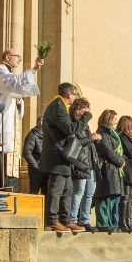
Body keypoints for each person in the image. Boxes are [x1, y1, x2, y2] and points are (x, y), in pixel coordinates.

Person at [0, 48, 43, 191]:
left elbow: (18, 90)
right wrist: (33, 70)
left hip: (9, 124)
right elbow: (12, 84)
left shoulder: (8, 74)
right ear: (7, 57)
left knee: (8, 156)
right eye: (17, 56)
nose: (19, 59)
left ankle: (10, 189)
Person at [40, 82, 90, 232]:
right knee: (56, 188)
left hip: (63, 156)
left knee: (68, 190)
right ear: (69, 94)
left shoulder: (62, 106)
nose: (75, 96)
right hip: (56, 155)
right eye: (74, 93)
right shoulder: (57, 106)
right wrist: (86, 117)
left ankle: (65, 220)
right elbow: (70, 129)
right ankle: (52, 220)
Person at [67, 98, 99, 232]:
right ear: (78, 110)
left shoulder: (85, 125)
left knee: (89, 193)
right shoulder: (74, 123)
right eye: (85, 109)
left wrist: (94, 138)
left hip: (89, 163)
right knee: (78, 191)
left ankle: (84, 220)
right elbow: (77, 143)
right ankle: (72, 219)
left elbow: (87, 143)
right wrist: (92, 138)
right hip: (80, 162)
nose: (87, 112)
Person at [93, 110, 125, 232]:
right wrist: (120, 161)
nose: (116, 121)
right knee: (104, 195)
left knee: (111, 196)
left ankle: (109, 222)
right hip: (106, 167)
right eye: (114, 118)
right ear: (108, 119)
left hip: (113, 167)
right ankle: (102, 222)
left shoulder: (111, 132)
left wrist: (121, 160)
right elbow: (106, 150)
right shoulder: (102, 131)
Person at [116, 116, 132, 233]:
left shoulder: (130, 138)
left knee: (131, 198)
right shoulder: (122, 136)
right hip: (128, 170)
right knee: (125, 198)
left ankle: (129, 221)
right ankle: (123, 222)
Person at [23, 116, 47, 195]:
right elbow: (26, 152)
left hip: (46, 169)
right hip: (36, 170)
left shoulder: (47, 135)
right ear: (40, 123)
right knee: (34, 192)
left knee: (46, 193)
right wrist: (36, 166)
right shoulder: (33, 135)